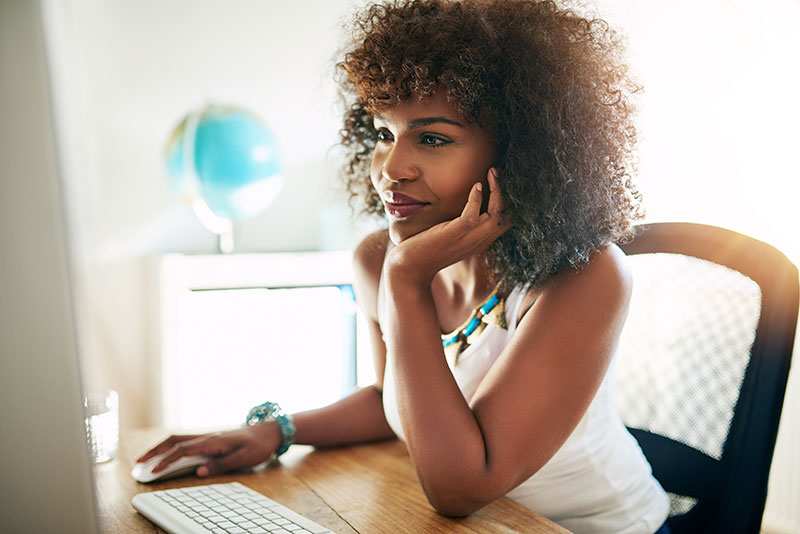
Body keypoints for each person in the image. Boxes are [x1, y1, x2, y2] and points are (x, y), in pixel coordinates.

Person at [137, 1, 671, 532]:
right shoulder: (378, 259)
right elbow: (393, 402)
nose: (391, 168)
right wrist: (280, 430)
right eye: (384, 134)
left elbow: (460, 487)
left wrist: (407, 282)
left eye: (433, 138)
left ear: (521, 152)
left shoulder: (585, 278)